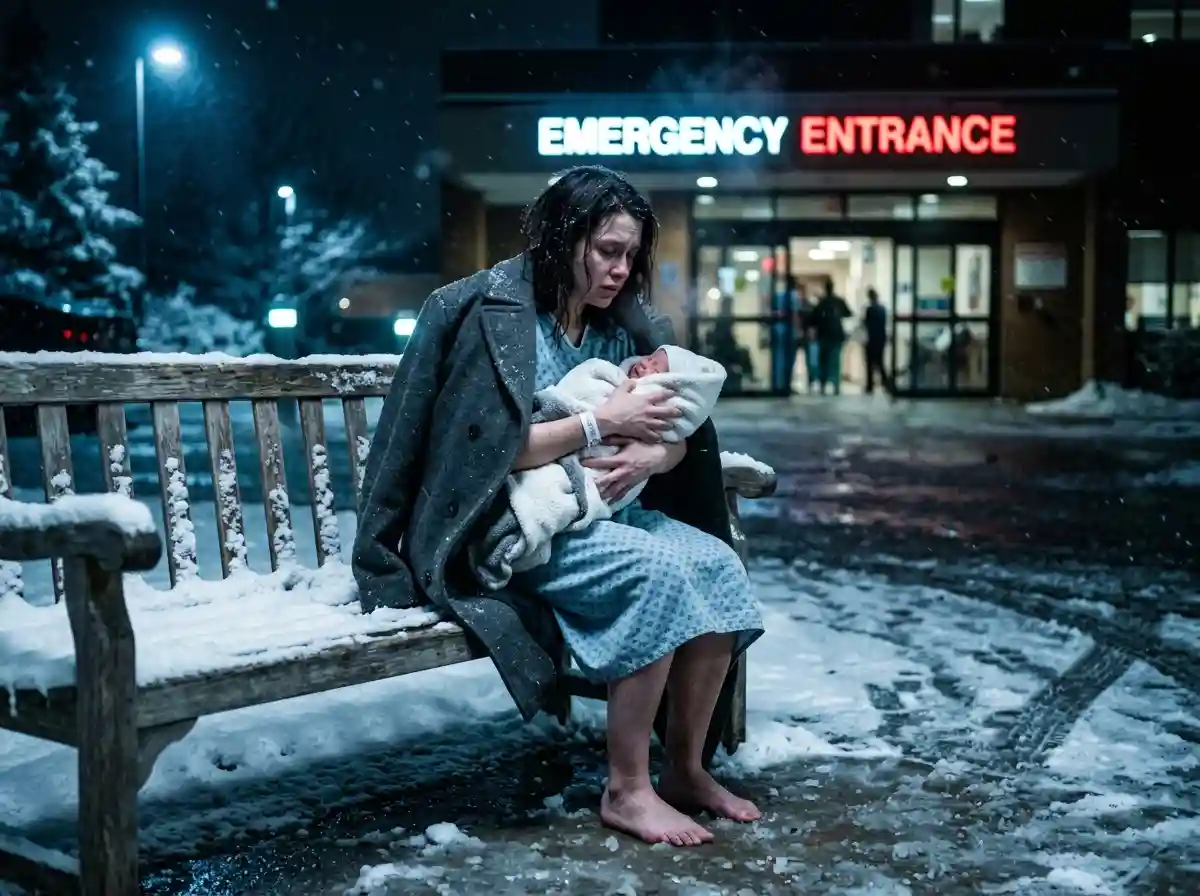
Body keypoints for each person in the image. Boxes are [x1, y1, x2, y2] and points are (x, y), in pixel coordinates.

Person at [353, 165, 765, 848]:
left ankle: (687, 769)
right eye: (607, 250)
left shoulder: (619, 327)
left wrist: (653, 457)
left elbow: (672, 440)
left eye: (630, 254)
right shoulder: (487, 316)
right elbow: (480, 455)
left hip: (608, 512)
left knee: (716, 565)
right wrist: (603, 424)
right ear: (561, 236)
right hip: (520, 528)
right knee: (656, 576)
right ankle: (627, 789)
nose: (619, 269)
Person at [810, 278, 852, 394]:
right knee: (835, 361)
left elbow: (812, 319)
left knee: (823, 361)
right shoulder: (839, 301)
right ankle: (836, 386)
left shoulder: (821, 303)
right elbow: (849, 314)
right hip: (836, 335)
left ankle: (823, 386)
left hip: (823, 335)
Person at [862, 288, 891, 395]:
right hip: (881, 338)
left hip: (872, 338)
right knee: (880, 362)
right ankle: (886, 383)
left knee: (870, 363)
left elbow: (865, 323)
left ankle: (870, 386)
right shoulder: (883, 308)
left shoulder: (869, 309)